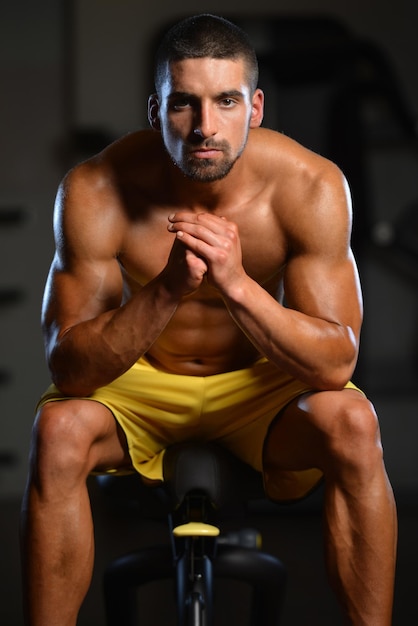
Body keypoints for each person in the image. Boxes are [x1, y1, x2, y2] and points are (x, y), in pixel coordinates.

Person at [20, 13, 397, 626]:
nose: (204, 127)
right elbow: (70, 369)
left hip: (261, 390)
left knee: (353, 422)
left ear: (256, 108)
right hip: (140, 390)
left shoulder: (310, 187)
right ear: (154, 108)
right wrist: (168, 289)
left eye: (226, 101)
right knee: (57, 433)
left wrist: (237, 285)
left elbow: (336, 363)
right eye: (183, 104)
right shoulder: (95, 190)